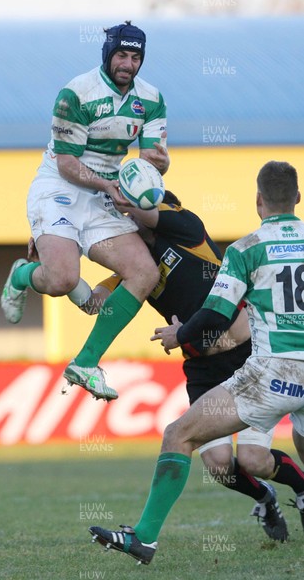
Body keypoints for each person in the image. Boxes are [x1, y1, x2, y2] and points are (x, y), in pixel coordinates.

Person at [88, 161, 304, 565]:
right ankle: (273, 497)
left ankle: (145, 539)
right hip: (220, 371)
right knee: (223, 465)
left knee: (205, 444)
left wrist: (180, 334)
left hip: (261, 366)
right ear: (296, 197)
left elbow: (226, 319)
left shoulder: (210, 235)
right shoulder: (135, 265)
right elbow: (93, 303)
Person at [0, 21, 169, 402]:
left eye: (136, 56)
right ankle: (22, 274)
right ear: (108, 54)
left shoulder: (152, 99)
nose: (128, 63)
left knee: (144, 272)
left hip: (106, 193)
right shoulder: (75, 94)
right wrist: (109, 184)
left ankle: (86, 362)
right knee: (60, 279)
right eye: (122, 55)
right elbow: (66, 164)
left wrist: (159, 167)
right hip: (61, 187)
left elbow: (149, 164)